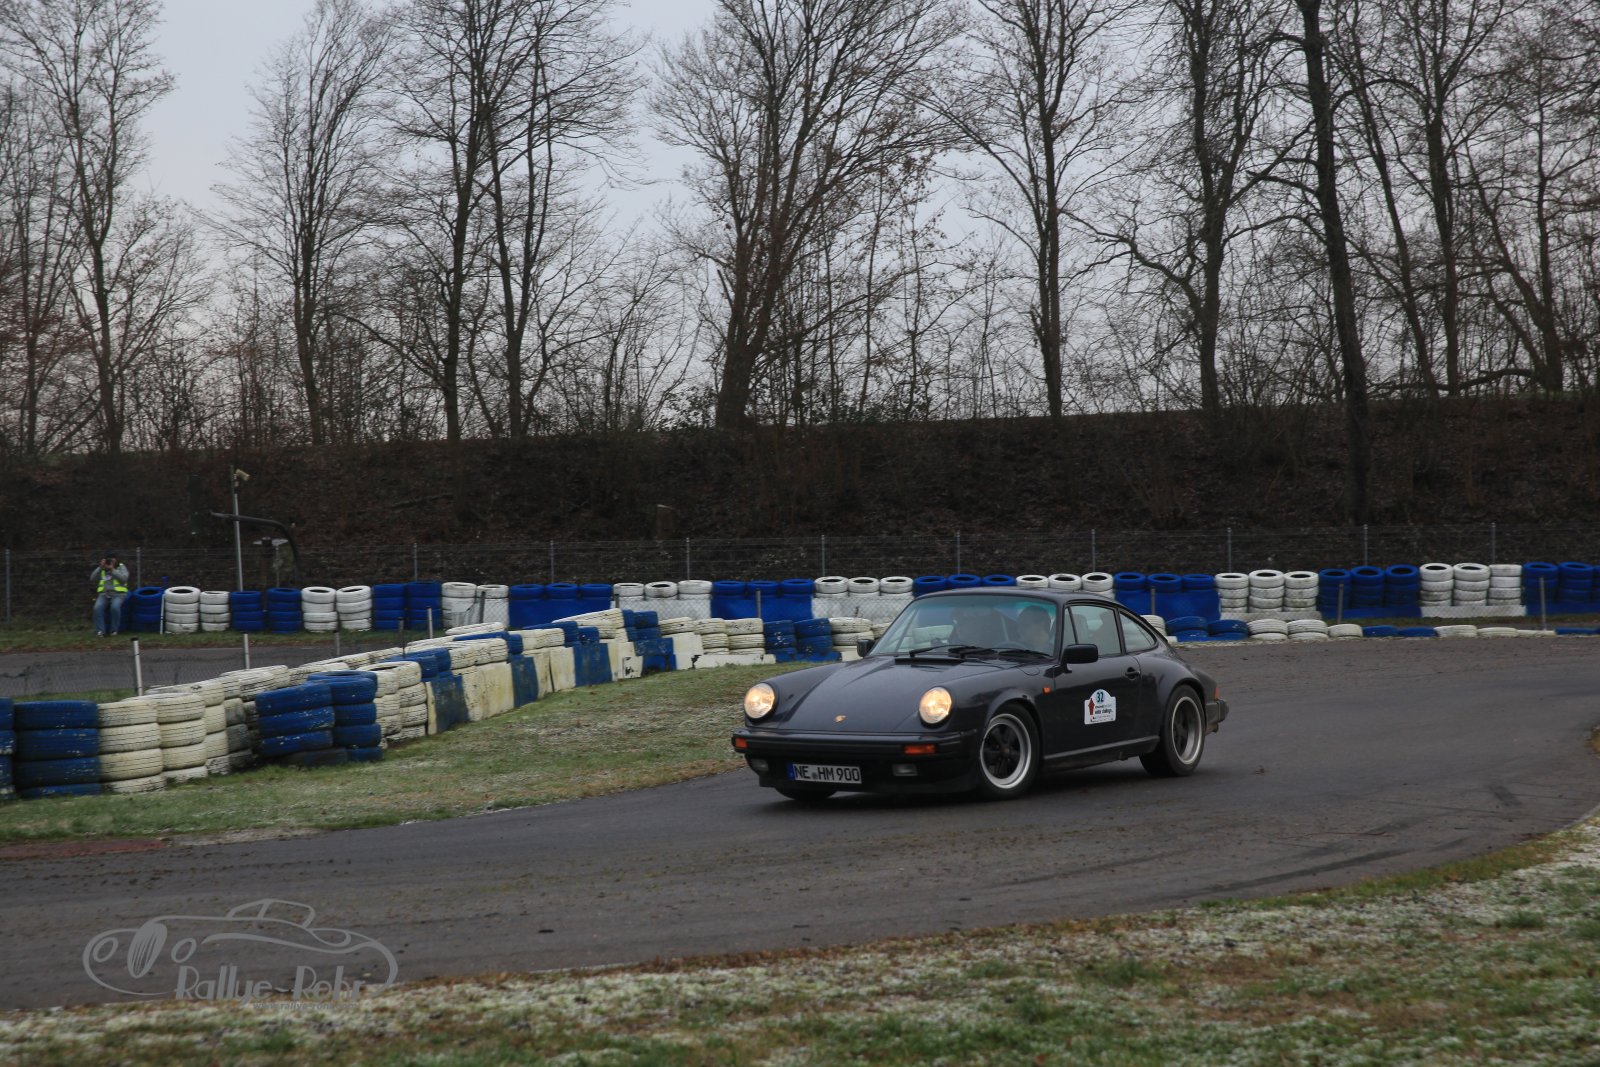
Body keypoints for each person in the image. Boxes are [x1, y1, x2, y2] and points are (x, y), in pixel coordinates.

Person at [91, 553, 129, 637]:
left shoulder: (121, 567)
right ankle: (100, 631)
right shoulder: (102, 569)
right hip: (104, 594)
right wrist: (100, 567)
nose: (111, 561)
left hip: (118, 594)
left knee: (115, 607)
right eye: (108, 559)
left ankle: (114, 630)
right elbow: (92, 578)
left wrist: (112, 570)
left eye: (112, 559)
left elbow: (124, 579)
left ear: (116, 559)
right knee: (97, 608)